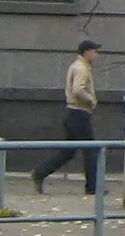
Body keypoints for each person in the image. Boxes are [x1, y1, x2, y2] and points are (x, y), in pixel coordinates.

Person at [32, 38, 103, 195]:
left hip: (73, 112)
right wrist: (91, 100)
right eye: (95, 51)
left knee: (68, 151)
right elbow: (78, 90)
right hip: (79, 113)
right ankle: (92, 186)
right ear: (86, 52)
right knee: (91, 150)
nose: (97, 55)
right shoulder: (82, 68)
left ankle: (40, 172)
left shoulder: (76, 66)